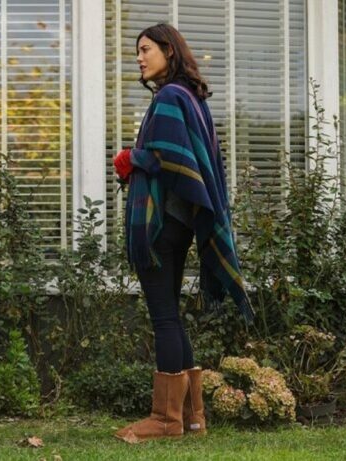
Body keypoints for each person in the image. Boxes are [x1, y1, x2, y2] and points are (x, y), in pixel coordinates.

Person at [112, 23, 253, 444]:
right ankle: (193, 417)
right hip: (180, 224)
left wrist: (129, 158)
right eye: (137, 51)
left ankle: (165, 419)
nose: (139, 58)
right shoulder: (190, 97)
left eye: (145, 49)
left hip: (161, 225)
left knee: (163, 317)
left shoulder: (170, 97)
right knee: (170, 315)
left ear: (169, 51)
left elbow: (167, 157)